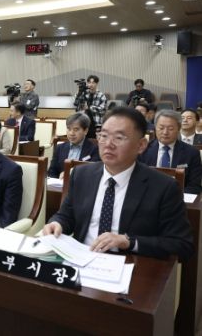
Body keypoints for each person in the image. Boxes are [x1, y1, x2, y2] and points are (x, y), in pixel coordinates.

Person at [44, 107, 193, 260]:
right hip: (82, 258)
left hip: (132, 264)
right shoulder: (81, 174)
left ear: (141, 145)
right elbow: (66, 215)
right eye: (104, 136)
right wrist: (57, 223)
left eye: (119, 138)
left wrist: (129, 242)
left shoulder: (164, 187)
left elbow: (181, 244)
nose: (108, 144)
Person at [138, 110, 202, 194]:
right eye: (161, 128)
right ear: (155, 128)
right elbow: (136, 180)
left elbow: (194, 186)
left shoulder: (192, 153)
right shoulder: (143, 150)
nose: (165, 132)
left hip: (178, 197)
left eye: (170, 129)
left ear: (178, 129)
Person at [47, 113, 100, 178]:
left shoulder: (94, 149)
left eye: (76, 130)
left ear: (85, 131)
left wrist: (71, 173)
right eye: (69, 129)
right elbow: (51, 173)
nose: (71, 133)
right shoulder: (59, 148)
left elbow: (93, 173)